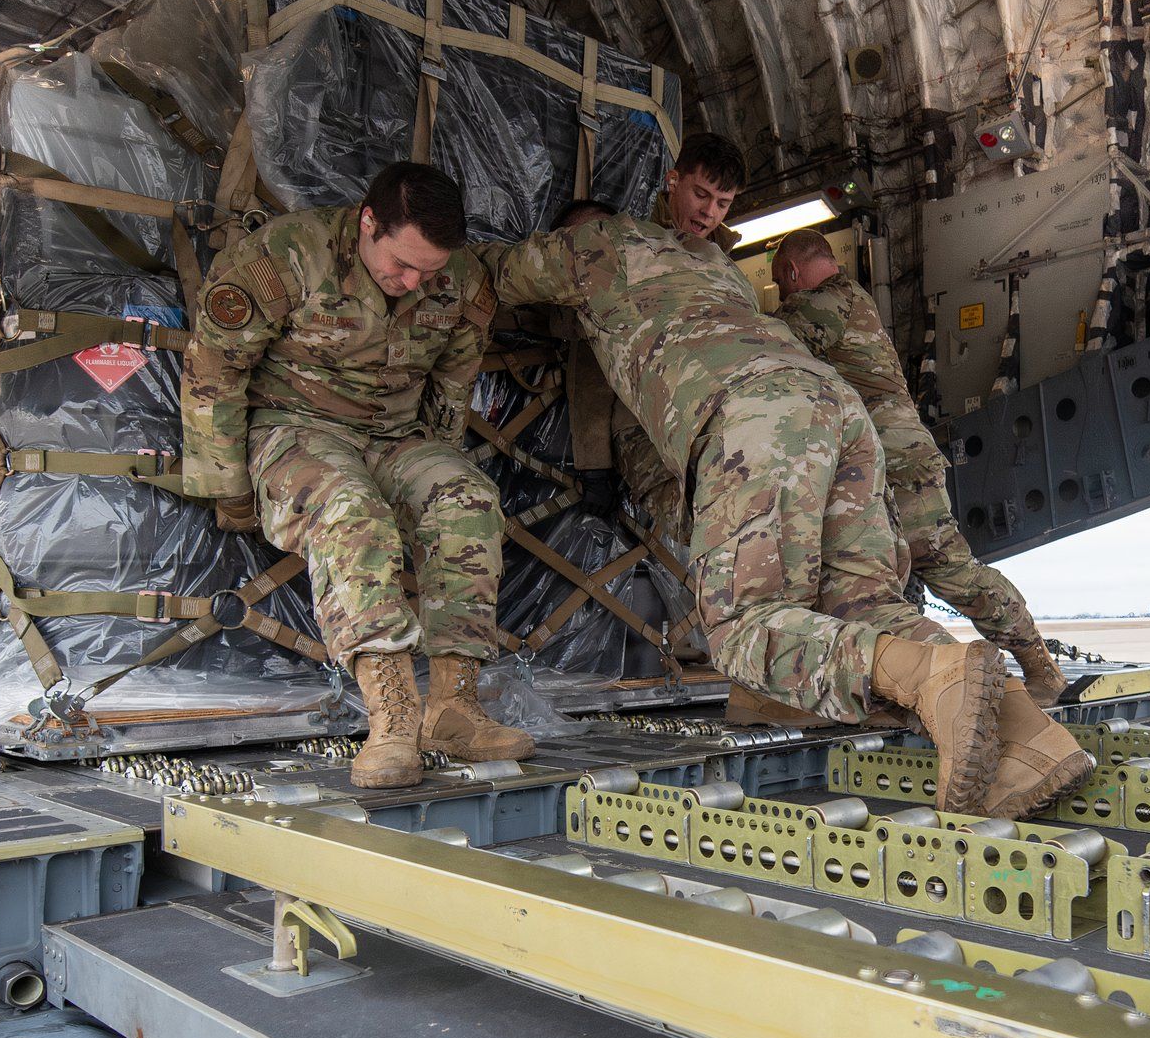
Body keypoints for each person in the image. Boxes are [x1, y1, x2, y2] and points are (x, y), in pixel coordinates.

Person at [480, 196, 1073, 816]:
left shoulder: (591, 247)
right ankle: (1034, 746)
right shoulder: (710, 266)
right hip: (837, 407)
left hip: (755, 416)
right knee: (864, 604)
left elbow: (496, 270)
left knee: (743, 627)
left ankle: (932, 681)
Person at [183, 161, 533, 789]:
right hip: (297, 427)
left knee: (468, 500)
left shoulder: (460, 280)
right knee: (350, 510)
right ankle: (393, 717)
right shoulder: (285, 257)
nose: (411, 282)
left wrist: (436, 474)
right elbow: (214, 371)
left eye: (428, 272)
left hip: (397, 435)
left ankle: (453, 706)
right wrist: (228, 488)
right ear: (368, 221)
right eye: (400, 264)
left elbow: (453, 385)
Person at [768, 227, 1065, 706]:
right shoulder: (852, 300)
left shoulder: (824, 305)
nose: (784, 294)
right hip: (884, 461)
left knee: (945, 567)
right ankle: (914, 681)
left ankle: (1032, 665)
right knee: (884, 578)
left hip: (894, 463)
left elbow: (762, 343)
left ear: (793, 273)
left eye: (781, 284)